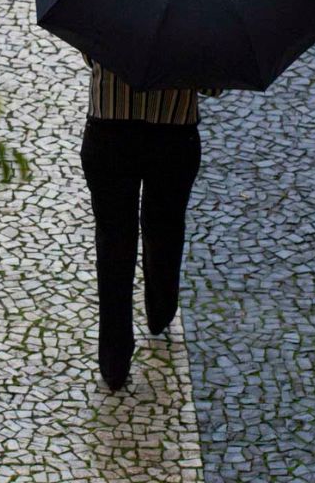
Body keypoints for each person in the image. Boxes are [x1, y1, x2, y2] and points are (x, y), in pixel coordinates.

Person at [78, 51, 223, 391]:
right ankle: (160, 309)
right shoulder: (198, 14)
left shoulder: (105, 0)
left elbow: (90, 54)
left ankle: (114, 359)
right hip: (173, 137)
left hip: (109, 132)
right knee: (166, 227)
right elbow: (213, 87)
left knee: (113, 242)